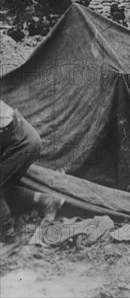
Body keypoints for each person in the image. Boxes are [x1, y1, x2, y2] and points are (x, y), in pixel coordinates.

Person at [1, 101, 64, 242]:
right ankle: (46, 201)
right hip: (20, 138)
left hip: (23, 142)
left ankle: (8, 232)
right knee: (3, 184)